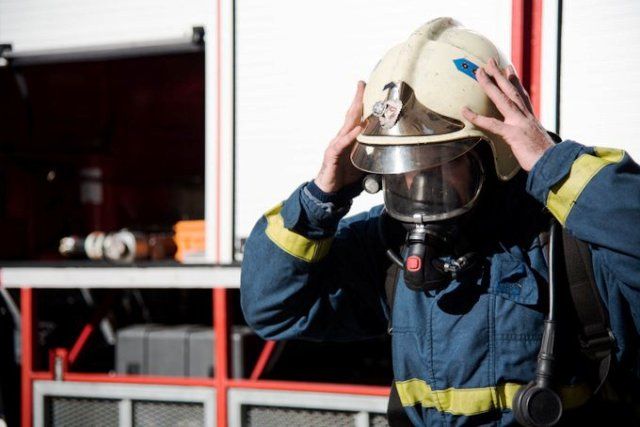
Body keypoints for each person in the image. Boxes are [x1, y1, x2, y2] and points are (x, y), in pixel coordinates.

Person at [240, 17, 640, 426]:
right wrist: (322, 196)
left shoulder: (566, 244)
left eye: (436, 161)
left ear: (494, 153)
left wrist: (553, 166)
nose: (415, 182)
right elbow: (273, 309)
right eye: (402, 164)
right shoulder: (388, 247)